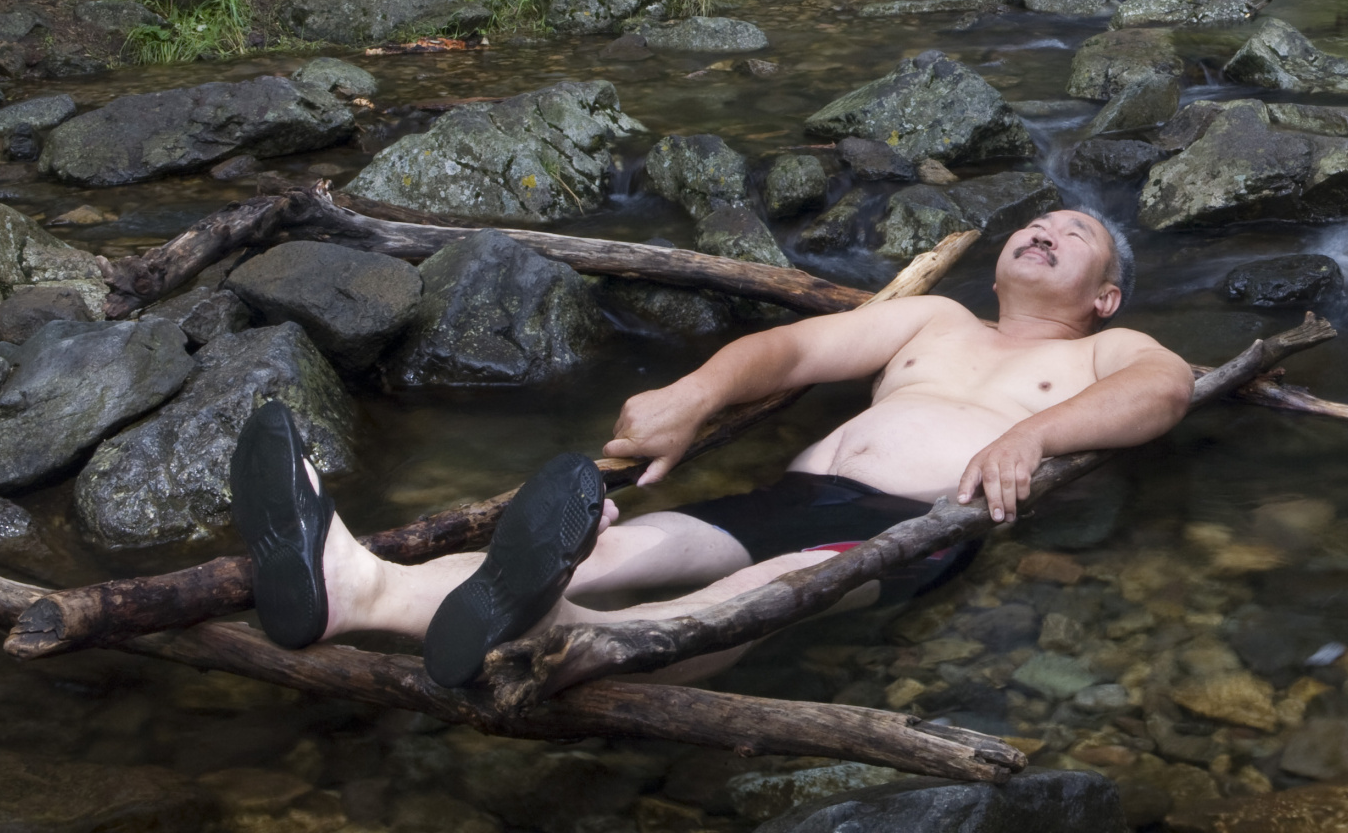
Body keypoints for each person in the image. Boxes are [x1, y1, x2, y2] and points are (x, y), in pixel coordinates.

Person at [230, 208, 1191, 687]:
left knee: (731, 605)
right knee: (604, 548)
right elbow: (792, 348)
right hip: (791, 496)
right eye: (1035, 222)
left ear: (1104, 296)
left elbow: (1166, 390)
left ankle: (559, 638)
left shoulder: (1111, 350)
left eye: (1073, 233)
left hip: (913, 527)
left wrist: (1032, 432)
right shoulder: (934, 318)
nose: (1044, 229)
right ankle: (357, 591)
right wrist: (692, 396)